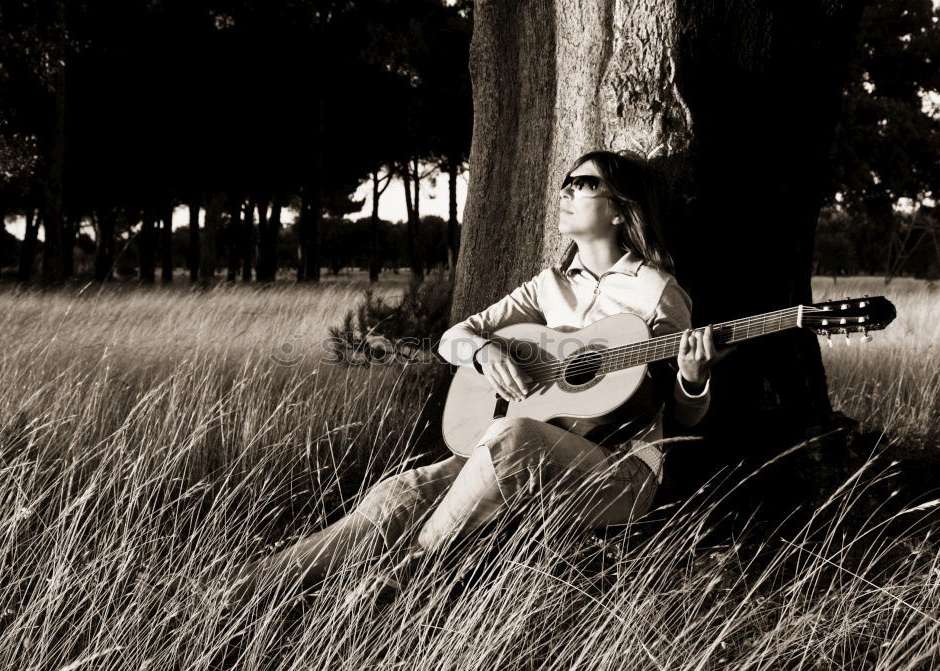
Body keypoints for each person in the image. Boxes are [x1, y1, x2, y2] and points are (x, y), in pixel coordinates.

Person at [229, 150, 728, 608]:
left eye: (584, 184)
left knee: (509, 437)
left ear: (620, 210)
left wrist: (693, 376)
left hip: (618, 473)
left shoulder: (657, 292)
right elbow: (454, 338)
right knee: (399, 492)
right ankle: (248, 585)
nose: (566, 192)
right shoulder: (549, 286)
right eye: (565, 182)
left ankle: (406, 578)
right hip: (518, 445)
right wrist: (487, 352)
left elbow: (684, 417)